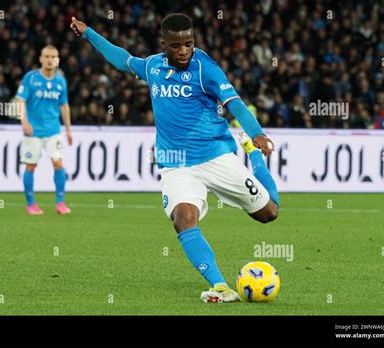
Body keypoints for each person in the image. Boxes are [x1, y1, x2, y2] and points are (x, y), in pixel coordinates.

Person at [70, 14, 279, 302]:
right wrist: (89, 33)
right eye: (177, 45)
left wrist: (256, 133)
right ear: (163, 44)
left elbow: (236, 104)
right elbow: (123, 60)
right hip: (175, 163)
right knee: (183, 218)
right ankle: (220, 286)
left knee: (269, 213)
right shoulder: (153, 66)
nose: (183, 51)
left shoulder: (206, 68)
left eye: (189, 44)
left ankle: (254, 158)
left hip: (215, 156)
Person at [15, 45, 73, 215]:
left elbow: (64, 106)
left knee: (58, 163)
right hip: (33, 132)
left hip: (53, 131)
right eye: (46, 56)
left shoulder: (60, 82)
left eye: (53, 56)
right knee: (31, 166)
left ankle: (60, 203)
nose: (49, 59)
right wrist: (24, 122)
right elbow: (20, 101)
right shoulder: (31, 78)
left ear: (57, 60)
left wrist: (68, 130)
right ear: (40, 59)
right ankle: (30, 204)